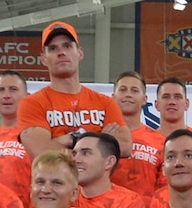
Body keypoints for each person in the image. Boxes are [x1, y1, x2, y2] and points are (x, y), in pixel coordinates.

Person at [18, 22, 130, 159]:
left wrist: (70, 140)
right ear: (44, 59)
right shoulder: (31, 103)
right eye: (53, 48)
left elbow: (125, 146)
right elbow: (41, 151)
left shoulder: (106, 103)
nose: (61, 52)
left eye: (67, 46)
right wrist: (100, 140)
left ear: (80, 53)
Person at [112, 71, 164, 195]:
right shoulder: (101, 137)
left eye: (134, 90)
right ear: (113, 97)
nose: (128, 95)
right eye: (123, 90)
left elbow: (165, 188)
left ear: (144, 99)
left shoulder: (160, 141)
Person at [0, 70, 32, 198]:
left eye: (13, 90)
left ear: (27, 97)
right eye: (1, 90)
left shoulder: (35, 137)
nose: (6, 95)